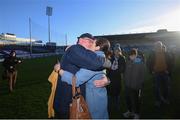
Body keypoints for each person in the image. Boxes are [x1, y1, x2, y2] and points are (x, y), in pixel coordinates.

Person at [53, 33, 111, 118]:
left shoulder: (91, 56)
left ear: (97, 47)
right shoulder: (76, 49)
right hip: (67, 102)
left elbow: (96, 67)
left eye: (93, 42)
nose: (91, 44)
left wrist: (60, 71)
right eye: (90, 41)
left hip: (89, 101)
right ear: (81, 40)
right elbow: (96, 64)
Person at [147, 41, 172, 108]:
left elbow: (170, 62)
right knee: (156, 88)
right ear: (155, 47)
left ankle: (165, 99)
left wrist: (168, 70)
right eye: (157, 46)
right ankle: (158, 100)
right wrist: (151, 71)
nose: (158, 47)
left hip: (165, 72)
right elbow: (148, 63)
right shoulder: (152, 53)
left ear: (161, 46)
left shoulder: (166, 53)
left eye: (159, 46)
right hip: (156, 73)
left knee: (166, 87)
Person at [123, 48, 146, 119]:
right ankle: (129, 111)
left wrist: (140, 84)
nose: (131, 57)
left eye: (133, 55)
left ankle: (137, 114)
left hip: (136, 85)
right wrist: (125, 81)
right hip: (127, 85)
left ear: (136, 55)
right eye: (130, 55)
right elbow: (125, 73)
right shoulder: (127, 62)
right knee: (128, 99)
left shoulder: (140, 63)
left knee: (136, 100)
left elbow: (142, 75)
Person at [107, 44, 126, 111]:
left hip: (117, 78)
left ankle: (116, 106)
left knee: (117, 93)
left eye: (118, 50)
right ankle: (109, 106)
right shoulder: (110, 57)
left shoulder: (122, 58)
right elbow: (108, 68)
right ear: (113, 51)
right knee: (109, 92)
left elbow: (123, 69)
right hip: (110, 77)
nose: (116, 52)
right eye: (115, 50)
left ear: (119, 51)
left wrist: (117, 70)